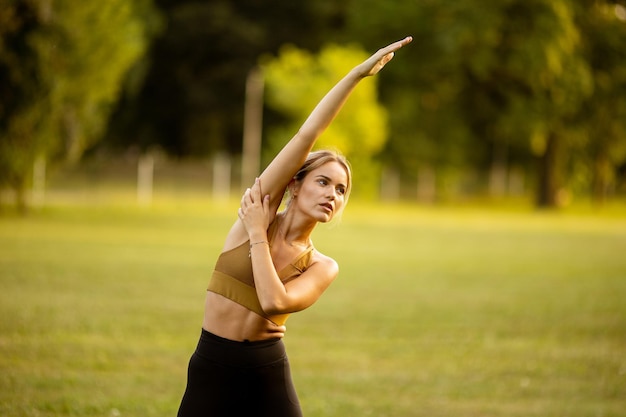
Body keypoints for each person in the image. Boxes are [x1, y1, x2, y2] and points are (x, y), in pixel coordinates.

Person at [177, 36, 412, 417]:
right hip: (211, 366)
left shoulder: (320, 265)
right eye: (323, 182)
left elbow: (275, 303)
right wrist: (355, 76)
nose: (332, 195)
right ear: (295, 183)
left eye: (341, 190)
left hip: (265, 372)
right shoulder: (259, 207)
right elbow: (307, 136)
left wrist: (257, 234)